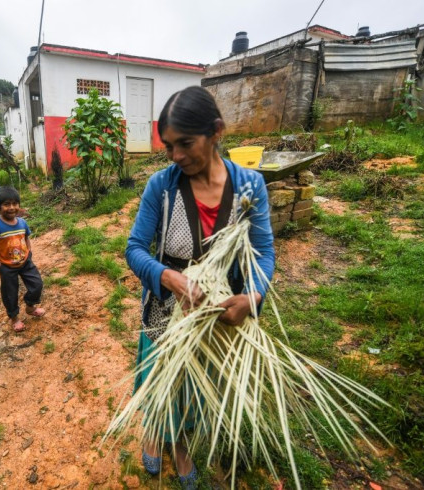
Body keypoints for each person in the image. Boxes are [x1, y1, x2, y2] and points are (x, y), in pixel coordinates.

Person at [125, 86, 275, 487]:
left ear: (217, 132)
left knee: (194, 385)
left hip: (216, 317)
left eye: (185, 143)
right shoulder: (163, 186)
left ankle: (181, 445)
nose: (176, 156)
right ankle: (156, 433)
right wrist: (167, 277)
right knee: (162, 379)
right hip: (164, 312)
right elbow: (135, 248)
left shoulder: (249, 187)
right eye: (170, 146)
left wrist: (253, 296)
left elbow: (263, 254)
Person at [0, 185, 45, 332]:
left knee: (37, 284)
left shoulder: (22, 223)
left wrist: (29, 252)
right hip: (6, 266)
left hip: (25, 262)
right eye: (6, 204)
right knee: (10, 293)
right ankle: (14, 318)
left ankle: (30, 307)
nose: (11, 207)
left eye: (15, 204)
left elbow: (26, 237)